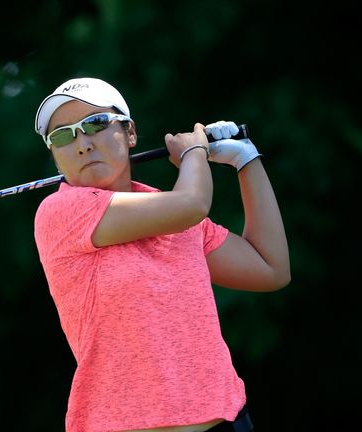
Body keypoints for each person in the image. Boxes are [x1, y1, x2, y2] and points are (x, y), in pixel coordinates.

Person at [32, 77, 290, 432]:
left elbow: (270, 268)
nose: (82, 144)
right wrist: (193, 152)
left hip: (227, 420)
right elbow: (193, 202)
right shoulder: (60, 212)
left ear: (130, 133)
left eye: (95, 124)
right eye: (63, 135)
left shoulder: (175, 215)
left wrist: (247, 160)